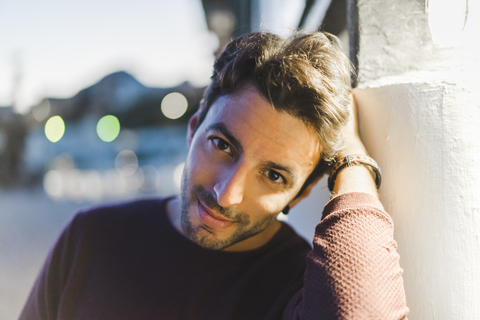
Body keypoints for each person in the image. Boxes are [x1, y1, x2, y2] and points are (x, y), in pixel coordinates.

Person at [20, 31, 408, 319]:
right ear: (192, 130)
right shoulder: (91, 237)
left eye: (273, 175)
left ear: (302, 193)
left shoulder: (300, 287)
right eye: (222, 146)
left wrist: (353, 162)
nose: (227, 195)